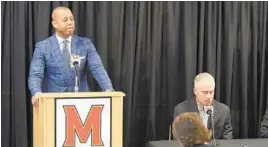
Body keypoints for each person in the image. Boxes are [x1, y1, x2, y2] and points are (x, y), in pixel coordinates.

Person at [28, 6, 114, 107]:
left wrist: (109, 89)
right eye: (65, 20)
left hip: (81, 103)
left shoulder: (85, 44)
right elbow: (35, 75)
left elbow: (97, 68)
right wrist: (36, 93)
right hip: (53, 103)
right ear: (54, 23)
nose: (70, 22)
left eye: (71, 19)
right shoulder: (42, 47)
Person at [173, 72, 233, 139]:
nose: (208, 96)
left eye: (211, 92)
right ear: (195, 91)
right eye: (205, 92)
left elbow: (227, 140)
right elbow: (179, 140)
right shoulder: (182, 110)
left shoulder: (224, 111)